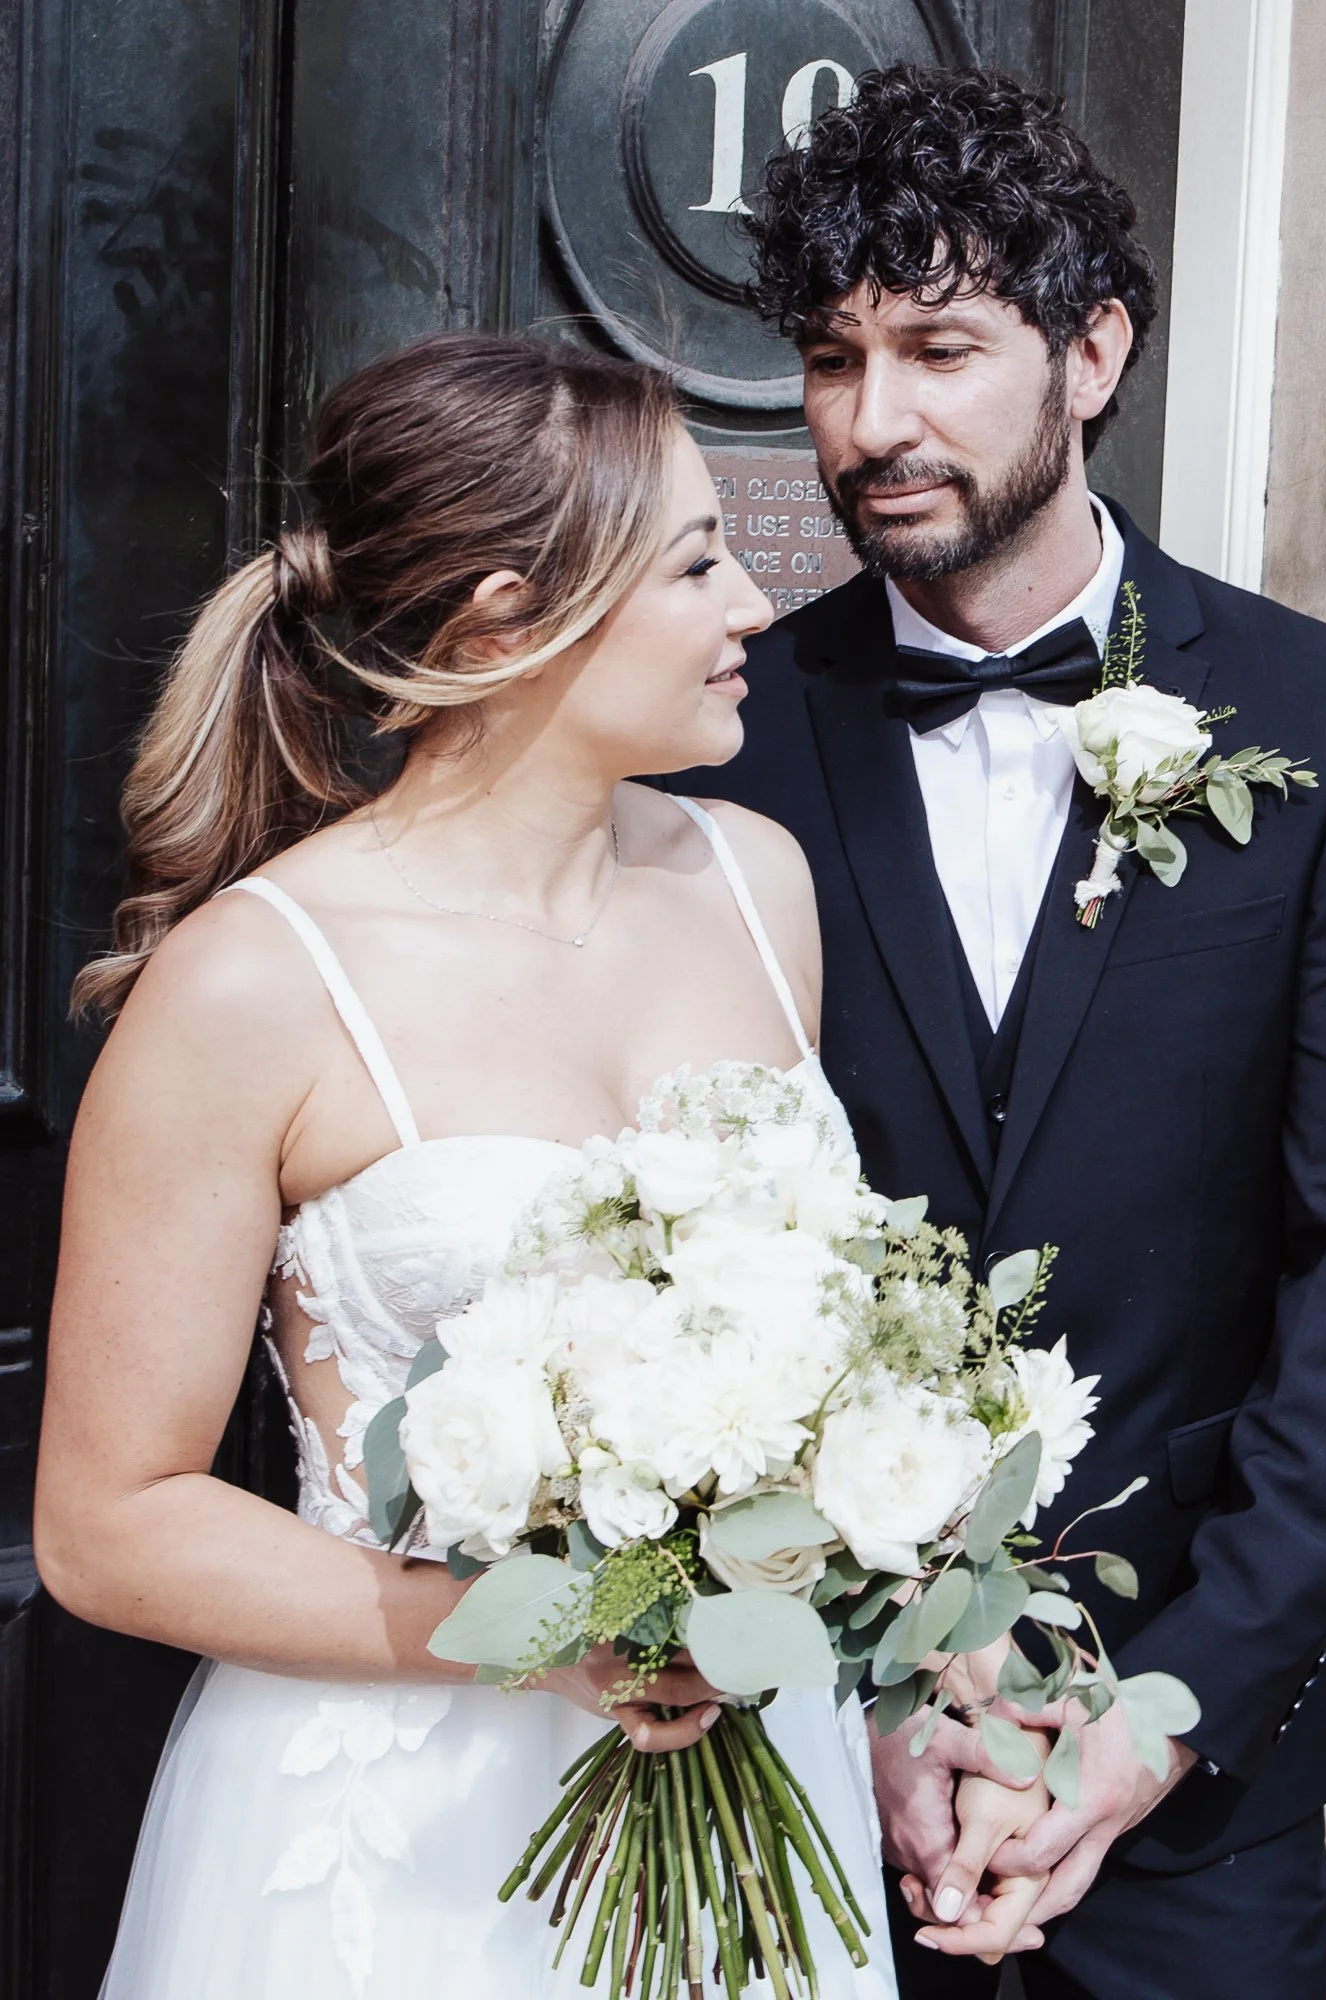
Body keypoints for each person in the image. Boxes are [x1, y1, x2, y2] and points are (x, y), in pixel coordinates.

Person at [680, 64, 1326, 1999]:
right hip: (825, 1763)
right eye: (835, 357)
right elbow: (694, 1253)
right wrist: (855, 1697)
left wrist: (1177, 1703)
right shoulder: (724, 739)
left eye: (941, 348)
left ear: (1091, 349)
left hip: (1199, 1765)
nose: (875, 423)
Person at [35, 332, 938, 1998]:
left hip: (752, 1790)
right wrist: (540, 1635)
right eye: (695, 562)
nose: (753, 606)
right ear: (508, 615)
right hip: (402, 1836)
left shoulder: (759, 883)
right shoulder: (253, 982)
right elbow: (109, 1525)